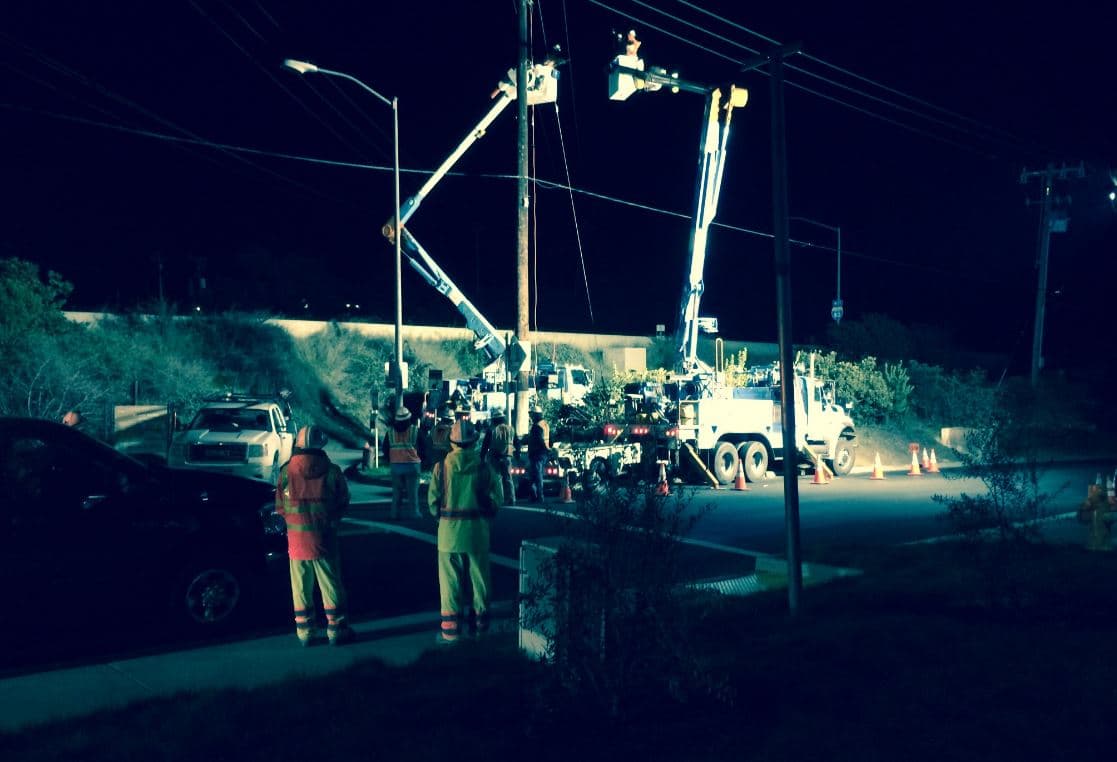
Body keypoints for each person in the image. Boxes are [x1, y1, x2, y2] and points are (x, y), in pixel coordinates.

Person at [275, 425, 354, 647]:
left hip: (296, 543)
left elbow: (280, 507)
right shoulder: (332, 472)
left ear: (298, 445)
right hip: (324, 540)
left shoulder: (285, 472)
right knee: (331, 586)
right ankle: (337, 630)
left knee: (300, 589)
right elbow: (343, 503)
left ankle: (306, 633)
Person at [427, 419, 503, 643]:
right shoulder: (483, 469)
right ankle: (481, 629)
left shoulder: (441, 468)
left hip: (448, 536)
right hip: (477, 535)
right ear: (474, 443)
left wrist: (440, 517)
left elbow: (433, 502)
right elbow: (497, 500)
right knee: (480, 584)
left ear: (451, 442)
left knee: (450, 586)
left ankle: (451, 633)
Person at [387, 405, 422, 519]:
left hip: (396, 466)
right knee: (413, 492)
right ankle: (414, 513)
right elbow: (423, 447)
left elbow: (385, 448)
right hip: (412, 465)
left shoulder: (390, 432)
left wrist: (391, 460)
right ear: (409, 419)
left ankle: (394, 513)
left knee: (397, 492)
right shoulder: (415, 430)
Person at [480, 410, 515, 505]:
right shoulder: (510, 429)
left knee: (497, 478)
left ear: (494, 419)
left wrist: (482, 457)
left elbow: (485, 445)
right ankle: (511, 499)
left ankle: (499, 498)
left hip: (494, 456)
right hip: (507, 457)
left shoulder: (492, 430)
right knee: (508, 478)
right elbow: (515, 442)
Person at [527, 409, 551, 504]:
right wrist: (548, 449)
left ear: (536, 415)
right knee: (534, 475)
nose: (531, 417)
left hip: (537, 453)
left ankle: (539, 496)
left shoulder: (537, 426)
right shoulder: (545, 424)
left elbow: (539, 440)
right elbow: (549, 438)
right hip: (543, 453)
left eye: (532, 415)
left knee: (537, 475)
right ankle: (534, 495)